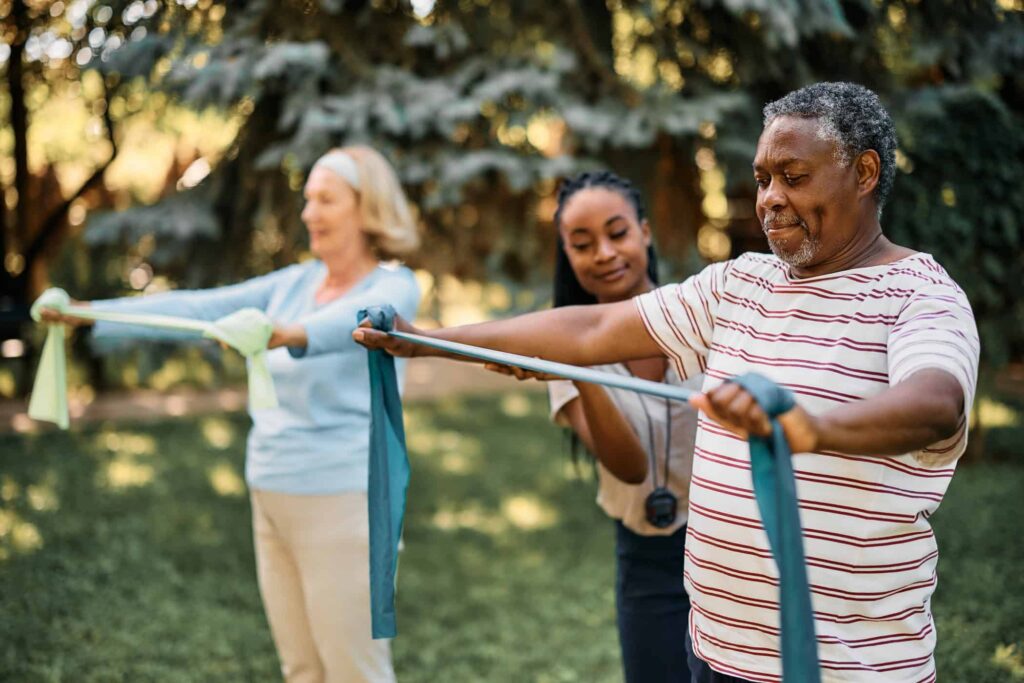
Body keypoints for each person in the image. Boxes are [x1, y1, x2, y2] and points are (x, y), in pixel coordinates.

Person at [354, 82, 979, 682]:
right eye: (762, 179)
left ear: (865, 173)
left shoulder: (921, 297)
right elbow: (592, 330)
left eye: (794, 177)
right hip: (713, 653)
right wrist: (424, 338)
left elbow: (936, 404)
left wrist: (808, 426)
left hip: (848, 668)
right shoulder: (741, 284)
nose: (768, 198)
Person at [42, 145, 421, 683]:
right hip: (270, 489)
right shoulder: (293, 284)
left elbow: (363, 322)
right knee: (301, 669)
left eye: (326, 200)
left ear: (367, 209)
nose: (309, 212)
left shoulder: (394, 285)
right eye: (307, 199)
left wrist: (286, 332)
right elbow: (200, 307)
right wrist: (86, 313)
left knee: (355, 671)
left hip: (345, 501)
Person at [488, 171, 701, 682]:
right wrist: (580, 371)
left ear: (645, 233)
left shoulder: (701, 314)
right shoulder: (560, 351)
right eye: (582, 244)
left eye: (617, 233)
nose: (603, 253)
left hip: (730, 544)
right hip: (646, 561)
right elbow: (628, 467)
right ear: (567, 253)